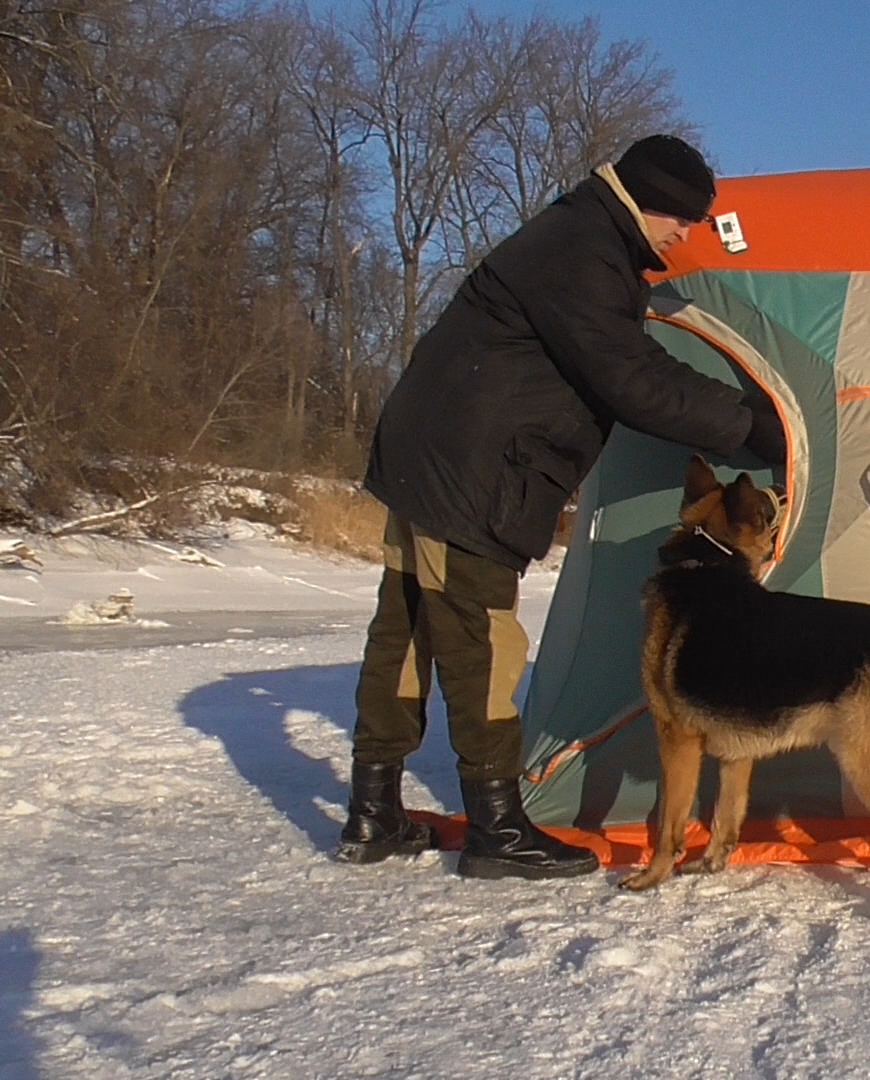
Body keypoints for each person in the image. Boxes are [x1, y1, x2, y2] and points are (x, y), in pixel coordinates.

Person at [334, 134, 787, 880]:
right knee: (481, 639)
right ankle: (496, 826)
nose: (685, 235)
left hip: (430, 456)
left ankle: (373, 810)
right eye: (682, 219)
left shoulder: (577, 234)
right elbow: (630, 378)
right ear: (649, 202)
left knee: (409, 626)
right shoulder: (584, 252)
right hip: (473, 470)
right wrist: (746, 422)